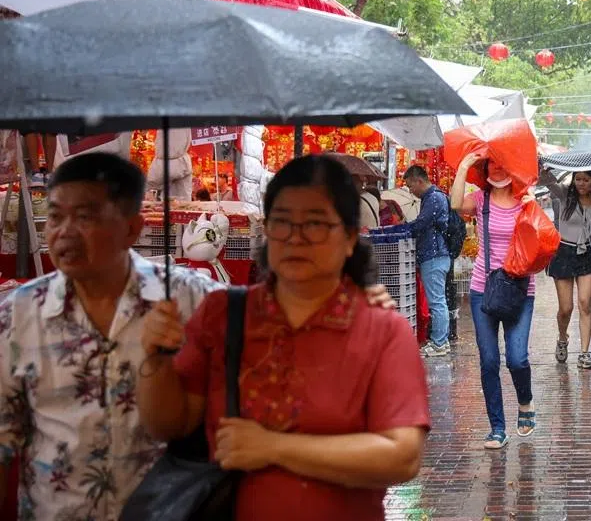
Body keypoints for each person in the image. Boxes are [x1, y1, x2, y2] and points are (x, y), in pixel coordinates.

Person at [136, 155, 429, 521]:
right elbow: (168, 425)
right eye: (282, 222)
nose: (295, 237)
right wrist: (155, 359)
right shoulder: (223, 315)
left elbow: (401, 457)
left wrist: (275, 447)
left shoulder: (383, 330)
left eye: (316, 224)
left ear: (351, 237)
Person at [0, 152, 221, 520]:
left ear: (132, 229)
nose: (64, 232)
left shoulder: (194, 300)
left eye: (85, 217)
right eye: (55, 216)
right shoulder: (16, 316)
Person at [451, 153, 536, 450]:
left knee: (516, 358)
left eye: (503, 163)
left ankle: (525, 401)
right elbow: (454, 203)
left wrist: (533, 209)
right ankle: (497, 428)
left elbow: (543, 242)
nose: (498, 169)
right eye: (492, 164)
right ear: (485, 169)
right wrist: (463, 166)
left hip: (519, 289)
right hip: (482, 289)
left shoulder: (526, 199)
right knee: (489, 361)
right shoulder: (480, 200)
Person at [539, 167, 591, 369]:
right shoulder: (564, 194)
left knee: (585, 303)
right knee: (566, 308)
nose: (581, 184)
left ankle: (584, 353)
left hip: (586, 254)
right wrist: (545, 168)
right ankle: (562, 336)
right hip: (564, 253)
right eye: (578, 179)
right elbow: (545, 180)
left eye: (586, 180)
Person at [400, 165, 452, 357]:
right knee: (438, 300)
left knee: (437, 302)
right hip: (435, 255)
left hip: (434, 255)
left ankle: (439, 343)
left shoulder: (434, 198)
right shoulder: (433, 197)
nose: (411, 191)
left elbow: (422, 223)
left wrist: (404, 228)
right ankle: (441, 341)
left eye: (410, 186)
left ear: (418, 181)